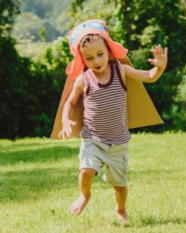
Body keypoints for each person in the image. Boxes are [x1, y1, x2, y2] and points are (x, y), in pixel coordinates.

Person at [58, 19, 168, 223]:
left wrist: (159, 68)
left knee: (120, 184)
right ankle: (85, 195)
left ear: (108, 51)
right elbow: (70, 103)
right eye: (89, 58)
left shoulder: (121, 71)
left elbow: (148, 76)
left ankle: (120, 209)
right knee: (86, 170)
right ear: (83, 60)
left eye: (100, 54)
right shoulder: (83, 80)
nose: (97, 60)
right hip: (93, 138)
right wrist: (66, 122)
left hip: (118, 141)